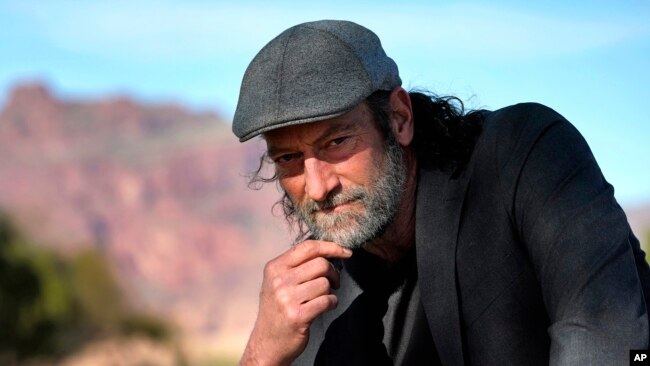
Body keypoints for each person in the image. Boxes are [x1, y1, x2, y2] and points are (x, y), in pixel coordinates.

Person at [231, 20, 650, 366]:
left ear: (399, 118)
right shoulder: (318, 293)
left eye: (337, 142)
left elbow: (608, 342)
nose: (319, 187)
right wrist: (260, 355)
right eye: (288, 158)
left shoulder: (525, 157)